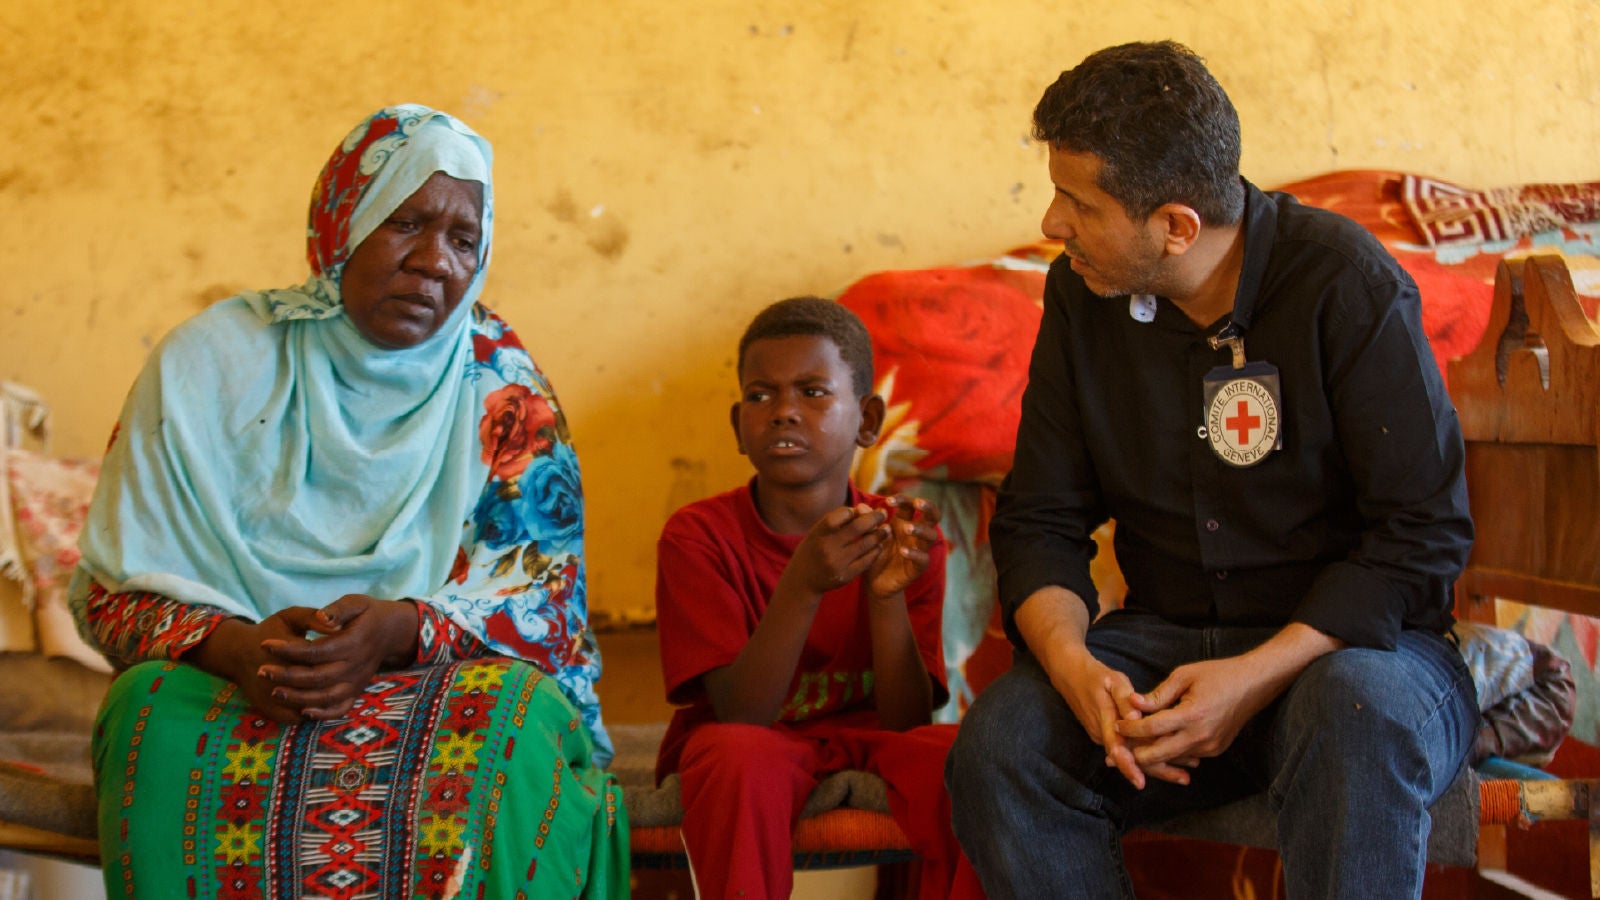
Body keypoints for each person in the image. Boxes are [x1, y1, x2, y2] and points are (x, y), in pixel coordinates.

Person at [945, 41, 1477, 899]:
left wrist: (1253, 678)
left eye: (1078, 202)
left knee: (1353, 713)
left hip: (1358, 654)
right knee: (1003, 749)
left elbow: (1423, 537)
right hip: (1169, 650)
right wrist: (1077, 668)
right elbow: (1040, 519)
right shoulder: (1081, 297)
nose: (1052, 224)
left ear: (1177, 227)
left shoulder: (1344, 281)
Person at [68, 105, 628, 899]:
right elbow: (109, 594)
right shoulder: (213, 362)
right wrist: (242, 651)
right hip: (231, 676)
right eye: (406, 222)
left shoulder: (502, 387)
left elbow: (545, 607)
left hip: (433, 674)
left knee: (516, 725)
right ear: (343, 222)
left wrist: (403, 629)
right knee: (148, 715)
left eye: (464, 240)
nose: (434, 262)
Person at [653, 297, 984, 899]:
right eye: (760, 396)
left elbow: (906, 722)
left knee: (970, 758)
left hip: (870, 735)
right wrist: (802, 585)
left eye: (812, 392)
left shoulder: (905, 535)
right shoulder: (697, 537)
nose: (783, 413)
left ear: (867, 418)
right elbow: (741, 716)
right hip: (749, 742)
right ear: (736, 426)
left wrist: (885, 596)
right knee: (734, 758)